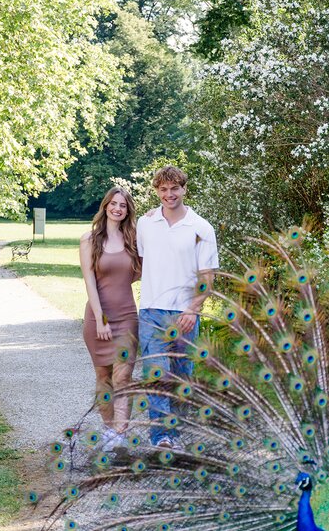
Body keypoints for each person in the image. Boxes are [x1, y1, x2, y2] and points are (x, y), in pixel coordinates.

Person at [137, 165, 218, 448]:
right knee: (156, 375)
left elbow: (207, 277)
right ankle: (161, 438)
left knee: (182, 376)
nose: (169, 194)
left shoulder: (201, 228)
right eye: (163, 189)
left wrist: (193, 309)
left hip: (185, 314)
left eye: (174, 188)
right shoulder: (145, 224)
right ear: (157, 191)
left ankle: (178, 433)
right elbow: (144, 261)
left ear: (184, 189)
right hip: (151, 311)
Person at [78, 187, 141, 451]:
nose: (118, 208)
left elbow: (139, 273)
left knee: (123, 377)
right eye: (114, 203)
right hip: (97, 319)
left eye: (123, 205)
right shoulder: (89, 240)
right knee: (103, 377)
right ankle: (108, 432)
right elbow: (90, 283)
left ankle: (120, 433)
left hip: (127, 317)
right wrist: (101, 319)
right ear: (105, 206)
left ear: (128, 211)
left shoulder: (133, 239)